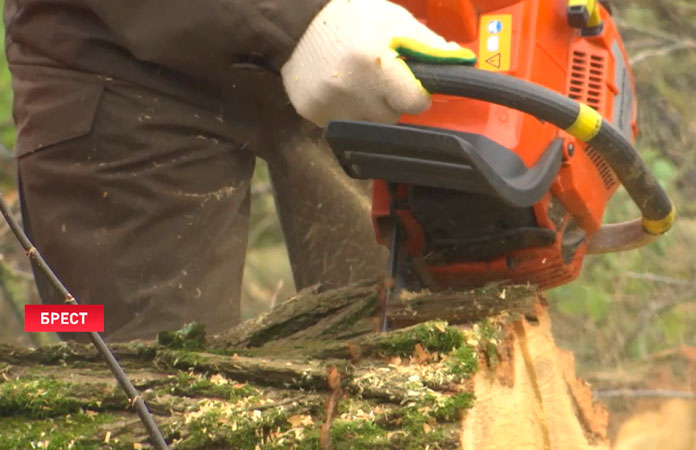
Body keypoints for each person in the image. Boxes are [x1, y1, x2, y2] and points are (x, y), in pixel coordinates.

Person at [4, 0, 475, 341]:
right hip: (113, 57)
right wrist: (292, 17)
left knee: (422, 345)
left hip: (366, 41)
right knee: (138, 375)